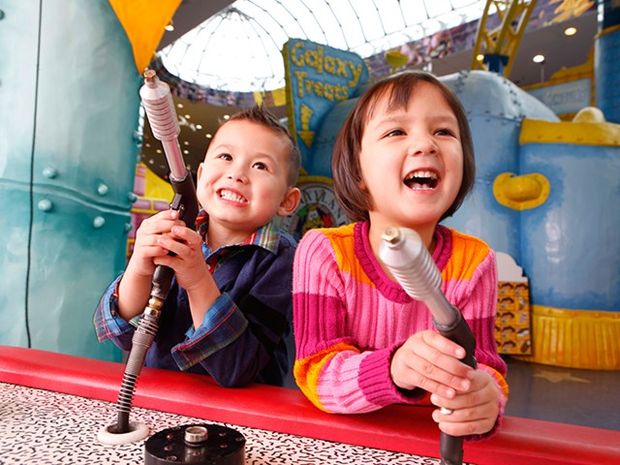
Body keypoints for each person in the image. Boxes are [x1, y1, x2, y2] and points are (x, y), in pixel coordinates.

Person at [292, 71, 508, 438]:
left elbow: (484, 367)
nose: (426, 144)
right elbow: (317, 371)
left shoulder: (476, 262)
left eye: (443, 131)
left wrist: (485, 401)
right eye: (396, 132)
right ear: (358, 170)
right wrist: (392, 368)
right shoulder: (324, 251)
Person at [94, 106, 301, 387]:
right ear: (200, 175)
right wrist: (140, 268)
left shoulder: (285, 260)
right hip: (158, 398)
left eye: (260, 166)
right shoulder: (175, 231)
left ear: (287, 201)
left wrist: (196, 279)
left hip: (244, 418)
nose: (237, 174)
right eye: (226, 156)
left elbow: (239, 366)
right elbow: (123, 333)